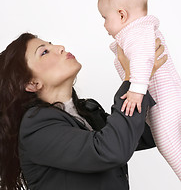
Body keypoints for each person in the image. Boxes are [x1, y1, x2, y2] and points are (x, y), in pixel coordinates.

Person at [0, 32, 166, 190]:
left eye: (51, 45)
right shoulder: (36, 127)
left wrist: (148, 73)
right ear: (32, 83)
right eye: (44, 52)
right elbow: (111, 149)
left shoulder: (87, 110)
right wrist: (135, 81)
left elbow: (146, 133)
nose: (60, 47)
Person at [98, 0, 181, 180]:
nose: (104, 25)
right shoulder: (141, 31)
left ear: (121, 14)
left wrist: (136, 90)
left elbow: (144, 58)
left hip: (163, 105)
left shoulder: (135, 33)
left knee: (170, 145)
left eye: (104, 18)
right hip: (169, 100)